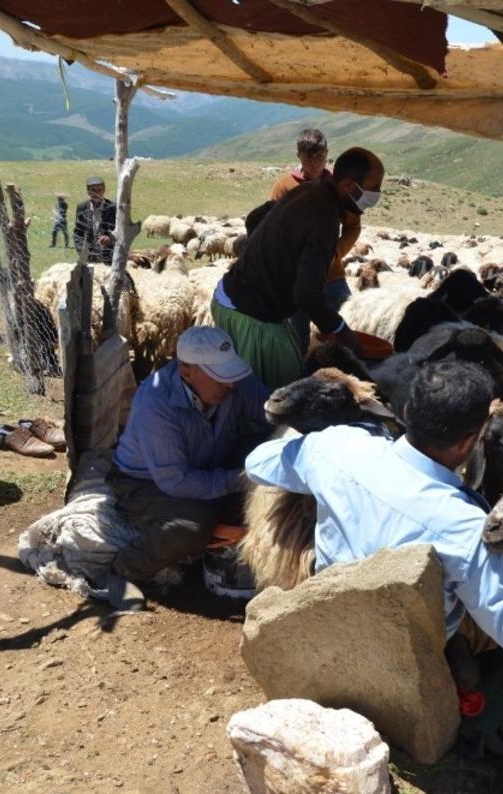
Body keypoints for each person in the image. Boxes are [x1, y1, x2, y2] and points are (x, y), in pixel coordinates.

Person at [245, 361, 503, 753]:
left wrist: (330, 455)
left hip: (333, 612)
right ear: (471, 440)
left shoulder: (339, 446)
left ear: (408, 410)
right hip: (412, 644)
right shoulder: (463, 524)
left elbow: (258, 463)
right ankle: (484, 723)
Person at [106, 326, 271, 610]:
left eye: (231, 374)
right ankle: (122, 571)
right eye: (221, 377)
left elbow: (270, 409)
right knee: (192, 526)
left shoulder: (233, 383)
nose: (231, 384)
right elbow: (176, 482)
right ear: (186, 371)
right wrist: (242, 480)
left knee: (269, 450)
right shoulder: (156, 405)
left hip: (208, 461)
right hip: (146, 482)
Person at [212, 147, 382, 390]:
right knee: (274, 397)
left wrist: (272, 257)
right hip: (251, 317)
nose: (376, 194)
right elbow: (307, 296)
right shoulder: (325, 217)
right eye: (373, 188)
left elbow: (254, 219)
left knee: (240, 388)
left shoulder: (310, 190)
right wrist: (342, 332)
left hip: (230, 300)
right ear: (348, 185)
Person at [268, 129, 361, 354]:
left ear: (328, 154)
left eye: (320, 156)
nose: (315, 162)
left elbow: (352, 226)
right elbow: (271, 227)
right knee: (295, 340)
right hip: (293, 280)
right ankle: (297, 381)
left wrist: (334, 253)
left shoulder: (338, 186)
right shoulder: (284, 186)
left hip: (332, 275)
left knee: (347, 329)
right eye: (309, 156)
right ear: (298, 155)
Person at [73, 176, 117, 264]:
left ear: (104, 190)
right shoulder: (82, 207)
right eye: (93, 190)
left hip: (110, 258)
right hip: (89, 259)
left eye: (99, 190)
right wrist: (83, 252)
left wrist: (110, 238)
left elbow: (121, 232)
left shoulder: (113, 208)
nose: (96, 193)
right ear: (88, 192)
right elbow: (78, 234)